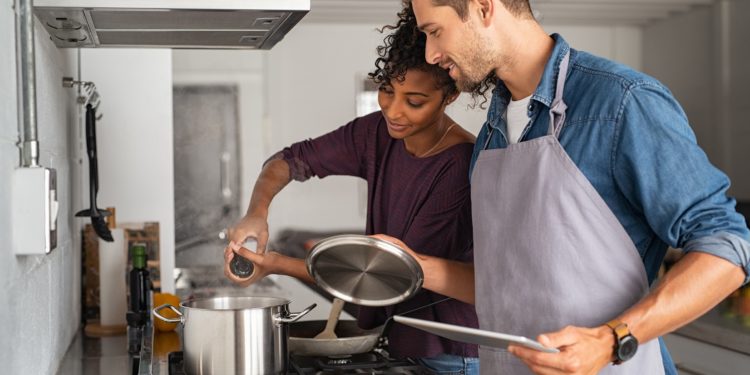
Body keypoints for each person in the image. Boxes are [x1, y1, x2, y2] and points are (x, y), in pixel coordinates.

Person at [372, 0, 750, 374]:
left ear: (484, 8)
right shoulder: (492, 133)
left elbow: (727, 247)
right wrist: (415, 266)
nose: (431, 54)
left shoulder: (619, 102)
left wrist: (609, 341)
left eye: (435, 32)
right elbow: (510, 287)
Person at [223, 8, 481, 373]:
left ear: (449, 97)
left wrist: (278, 263)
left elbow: (388, 276)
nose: (394, 111)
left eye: (415, 101)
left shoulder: (458, 167)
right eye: (387, 91)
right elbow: (291, 160)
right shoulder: (377, 133)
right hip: (404, 340)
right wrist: (256, 212)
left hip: (454, 353)